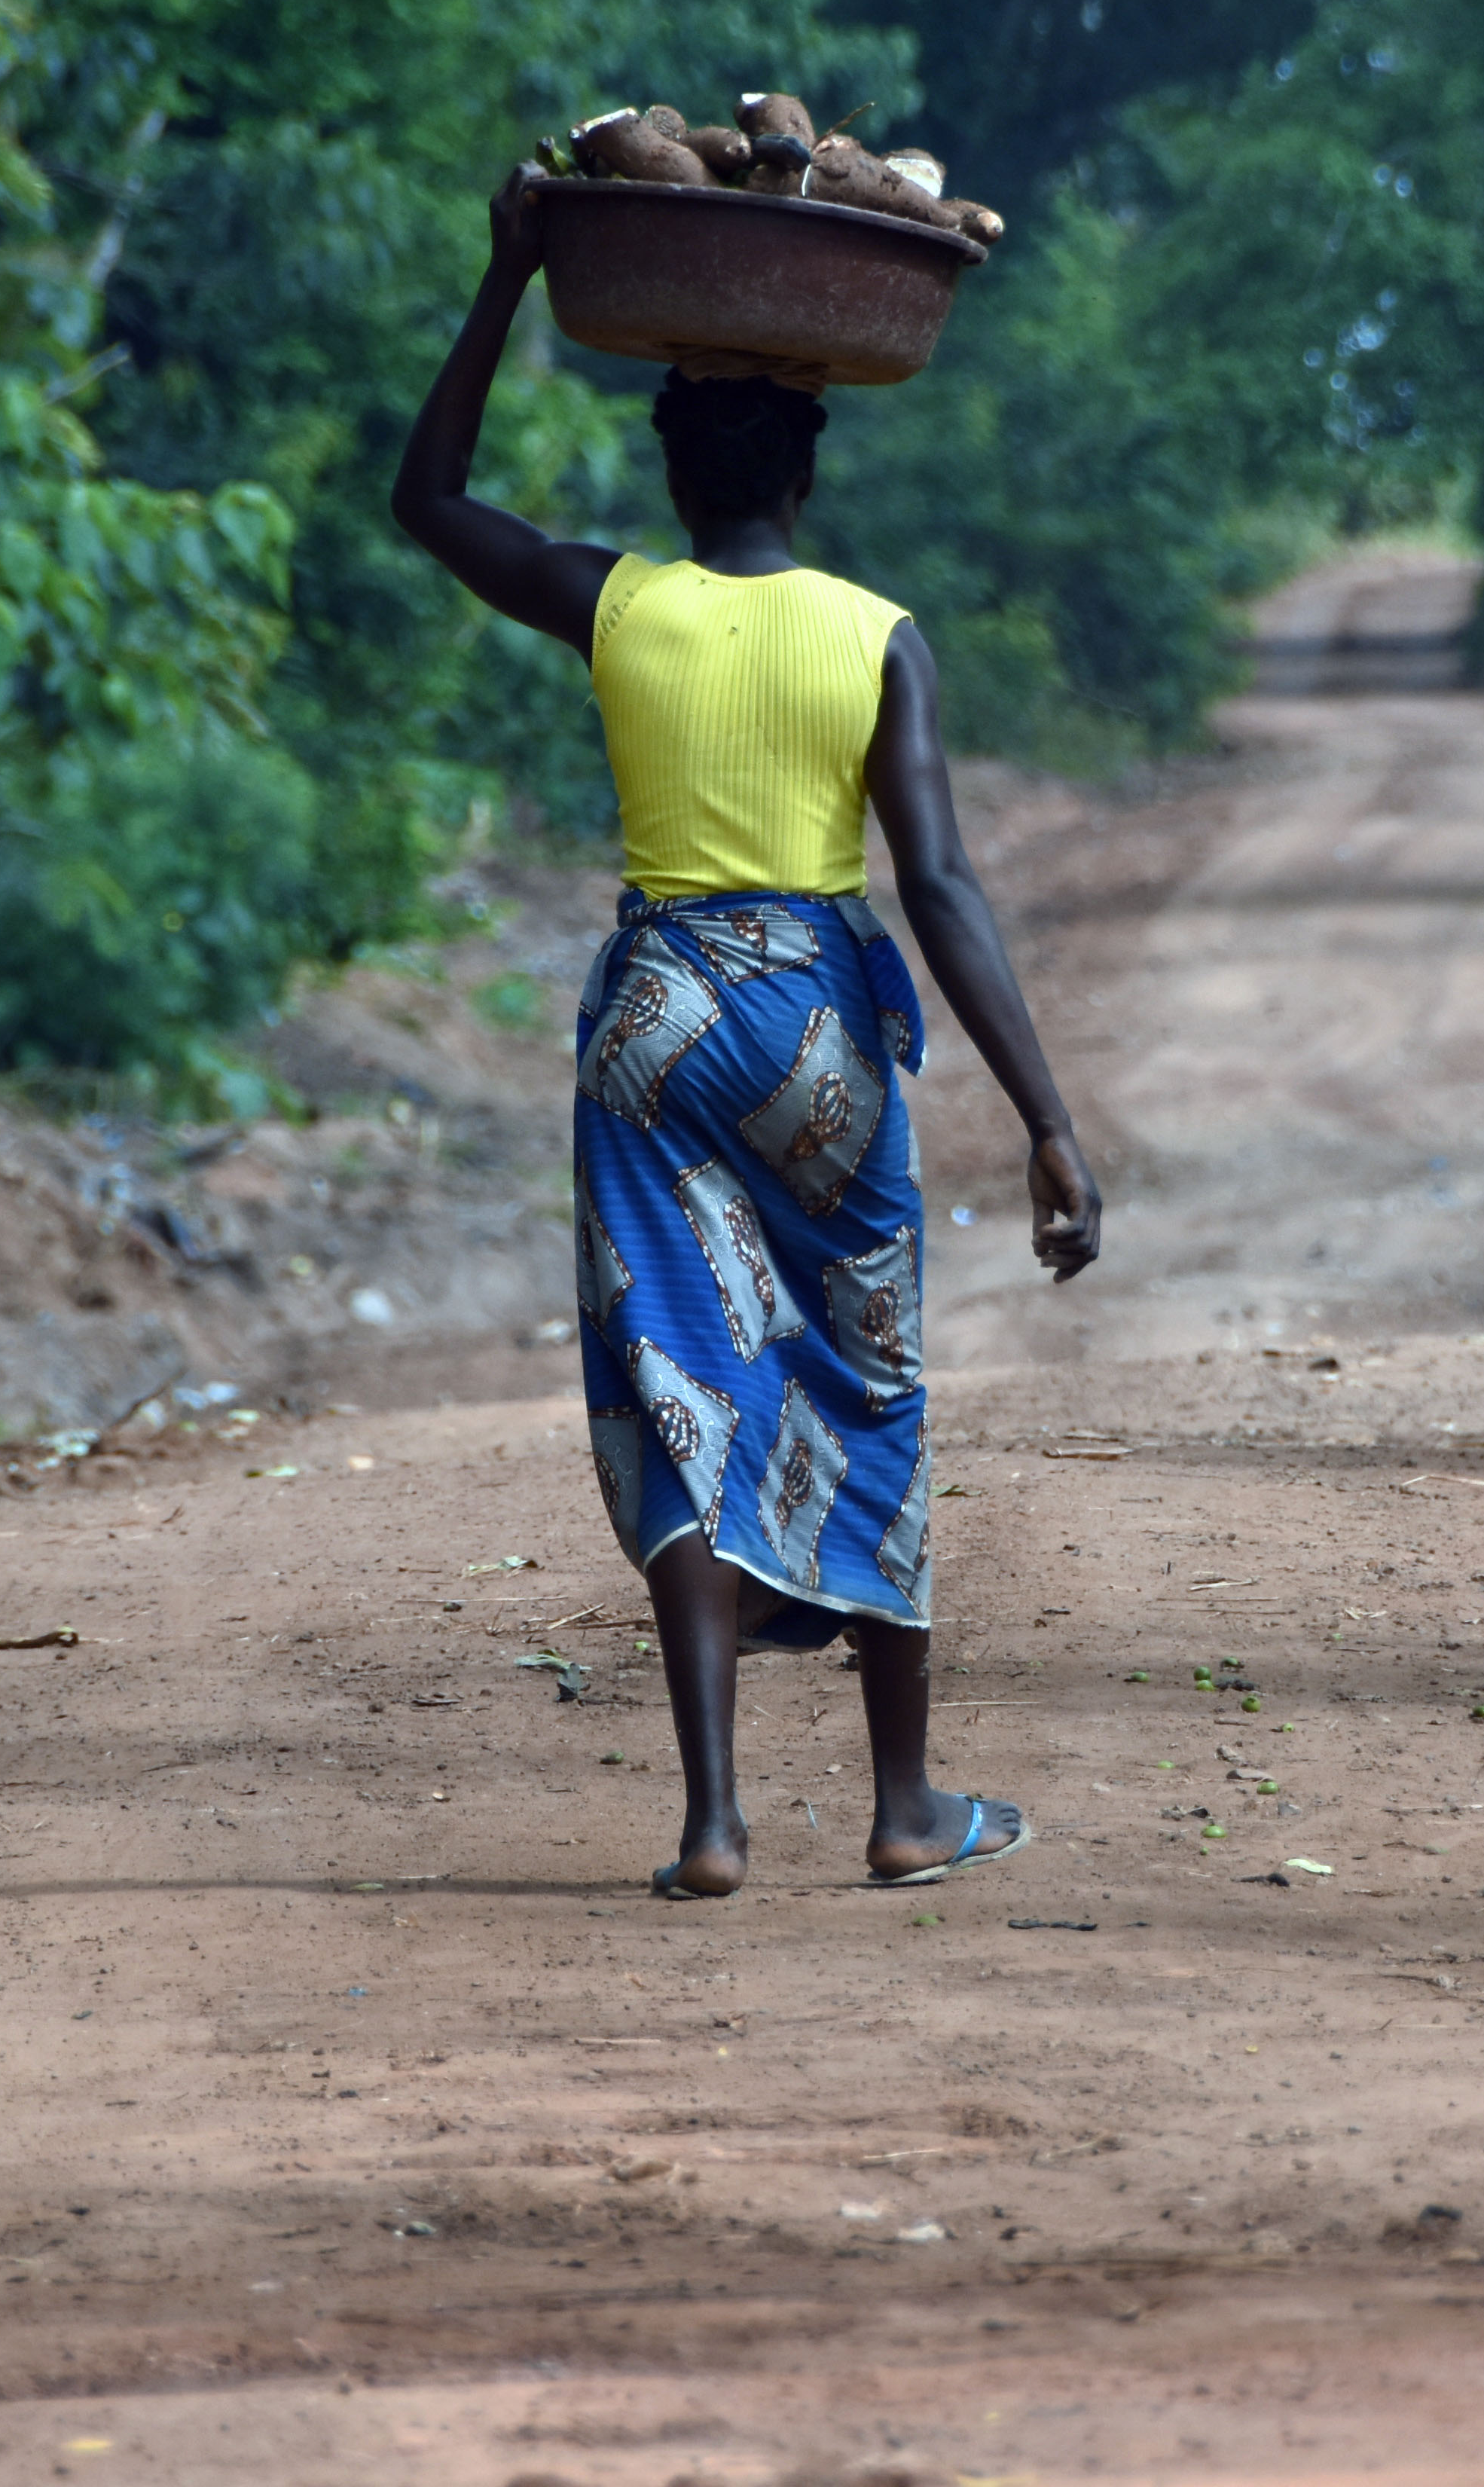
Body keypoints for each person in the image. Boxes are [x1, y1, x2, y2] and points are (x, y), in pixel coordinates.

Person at [388, 166, 1102, 1900]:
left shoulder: (618, 605)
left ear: (672, 476)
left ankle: (712, 1819)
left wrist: (503, 274)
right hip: (814, 1020)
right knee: (863, 1370)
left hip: (652, 1015)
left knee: (680, 1377)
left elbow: (427, 496)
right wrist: (1049, 1118)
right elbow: (938, 885)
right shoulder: (876, 637)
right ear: (805, 471)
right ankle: (904, 1802)